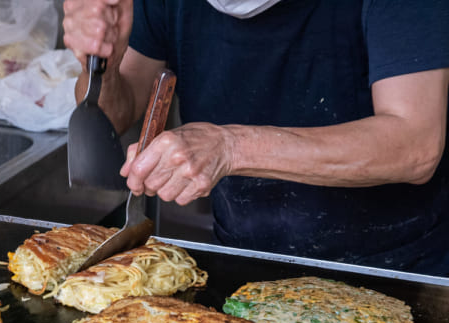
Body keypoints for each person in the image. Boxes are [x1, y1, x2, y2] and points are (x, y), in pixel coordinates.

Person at [62, 0, 449, 276]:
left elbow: (415, 144)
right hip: (244, 268)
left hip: (397, 272)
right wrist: (101, 66)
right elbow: (115, 113)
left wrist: (230, 147)